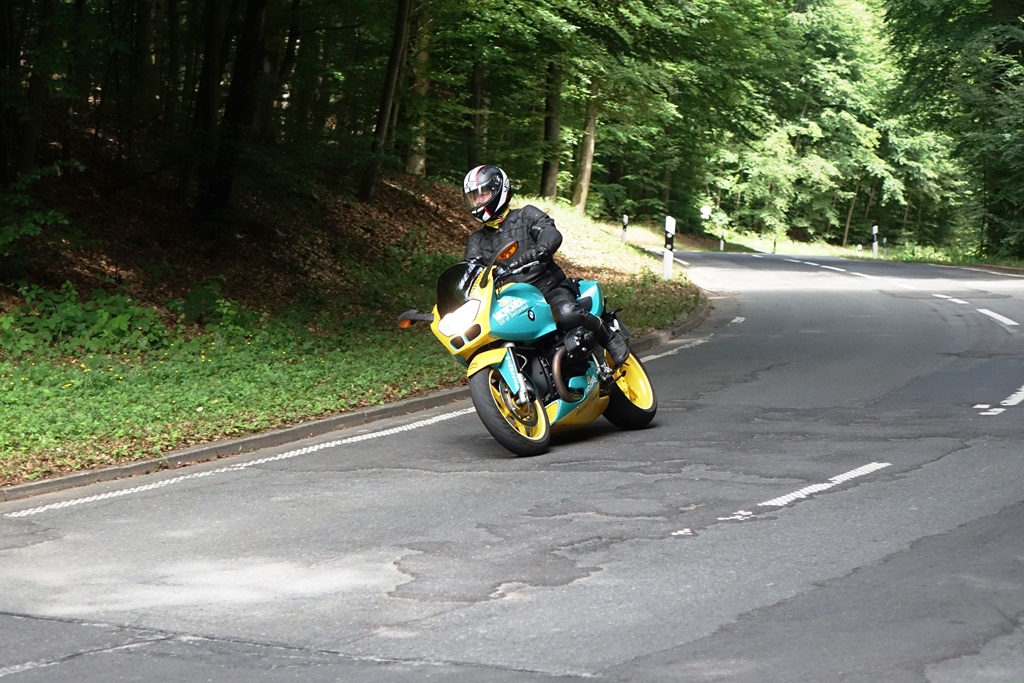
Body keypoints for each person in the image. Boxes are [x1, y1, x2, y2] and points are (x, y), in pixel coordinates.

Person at [461, 164, 630, 367]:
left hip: (547, 289)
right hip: (509, 304)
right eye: (474, 197)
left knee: (567, 313)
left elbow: (550, 232)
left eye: (483, 194)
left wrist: (541, 248)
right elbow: (469, 272)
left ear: (499, 190)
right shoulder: (476, 241)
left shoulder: (526, 215)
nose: (478, 201)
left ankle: (608, 336)